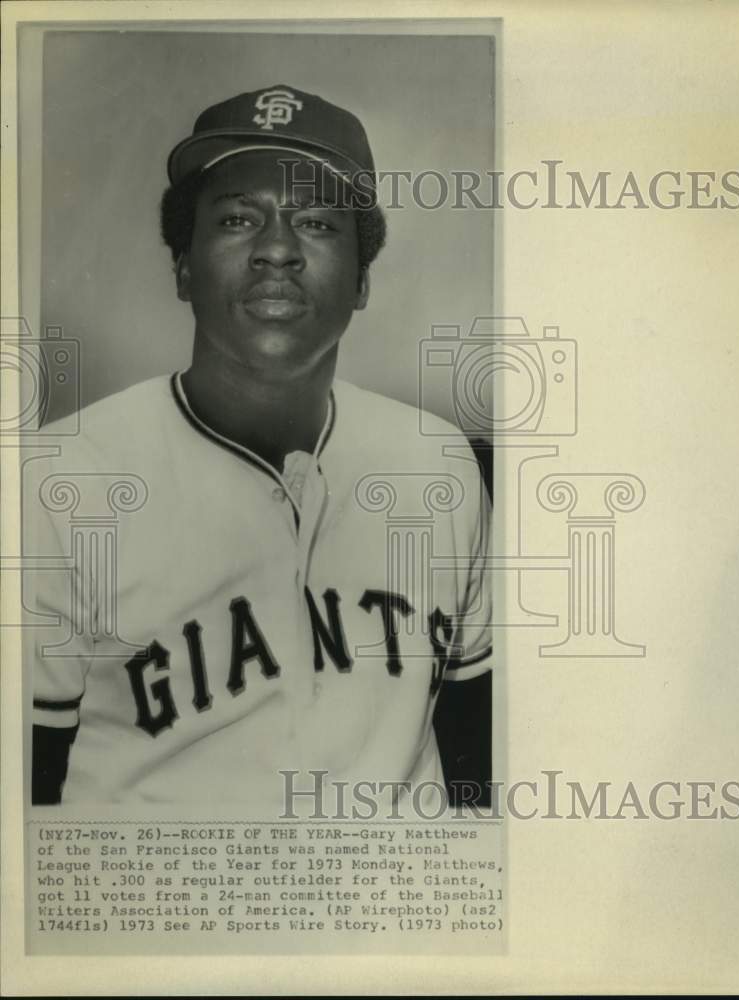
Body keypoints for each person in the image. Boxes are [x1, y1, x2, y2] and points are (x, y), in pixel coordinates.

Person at [29, 85, 491, 809]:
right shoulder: (59, 480)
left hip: (394, 911)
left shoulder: (438, 462)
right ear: (182, 267)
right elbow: (25, 788)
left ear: (364, 280)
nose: (277, 250)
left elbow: (479, 749)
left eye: (315, 222)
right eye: (239, 219)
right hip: (160, 907)